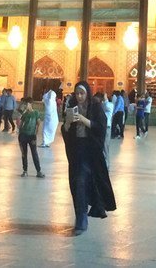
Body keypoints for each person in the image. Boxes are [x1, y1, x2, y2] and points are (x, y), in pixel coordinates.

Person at [61, 81, 116, 236]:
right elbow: (65, 131)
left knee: (83, 182)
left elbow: (101, 127)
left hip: (90, 152)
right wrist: (67, 123)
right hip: (76, 151)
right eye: (77, 93)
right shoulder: (71, 106)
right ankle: (80, 216)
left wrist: (83, 120)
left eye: (82, 93)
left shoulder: (95, 107)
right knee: (76, 183)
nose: (79, 96)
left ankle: (82, 218)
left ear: (88, 93)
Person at [17, 97, 44, 178]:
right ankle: (25, 171)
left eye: (26, 104)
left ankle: (38, 171)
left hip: (31, 136)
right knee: (24, 154)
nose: (24, 105)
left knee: (34, 153)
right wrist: (19, 117)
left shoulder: (36, 113)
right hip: (22, 136)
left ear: (30, 104)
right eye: (23, 104)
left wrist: (35, 135)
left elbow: (38, 124)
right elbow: (20, 126)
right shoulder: (24, 114)